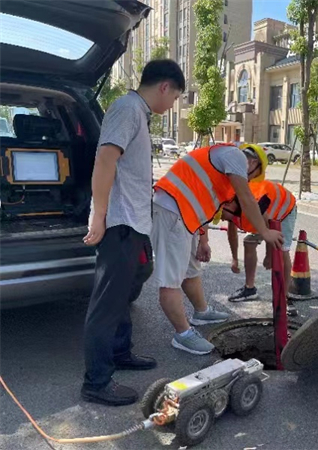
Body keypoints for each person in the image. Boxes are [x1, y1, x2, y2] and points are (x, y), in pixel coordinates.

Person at [81, 60, 185, 406]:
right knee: (107, 304)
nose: (171, 105)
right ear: (165, 87)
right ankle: (96, 382)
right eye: (174, 98)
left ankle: (120, 351)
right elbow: (105, 160)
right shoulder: (127, 109)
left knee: (131, 285)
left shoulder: (138, 113)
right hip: (120, 222)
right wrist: (99, 216)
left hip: (136, 223)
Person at [151, 143, 283, 356]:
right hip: (172, 210)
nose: (247, 180)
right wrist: (266, 233)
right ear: (252, 163)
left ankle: (201, 313)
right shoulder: (235, 157)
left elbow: (204, 201)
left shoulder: (222, 159)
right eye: (251, 177)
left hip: (185, 214)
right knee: (170, 279)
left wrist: (203, 239)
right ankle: (182, 335)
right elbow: (246, 199)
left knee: (191, 269)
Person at [222, 180, 298, 315]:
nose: (221, 219)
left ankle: (283, 298)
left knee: (281, 251)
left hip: (284, 210)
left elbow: (268, 228)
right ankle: (249, 289)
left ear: (228, 205)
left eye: (221, 216)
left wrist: (269, 255)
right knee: (249, 243)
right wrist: (234, 258)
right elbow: (231, 231)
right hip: (264, 214)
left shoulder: (252, 203)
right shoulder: (230, 204)